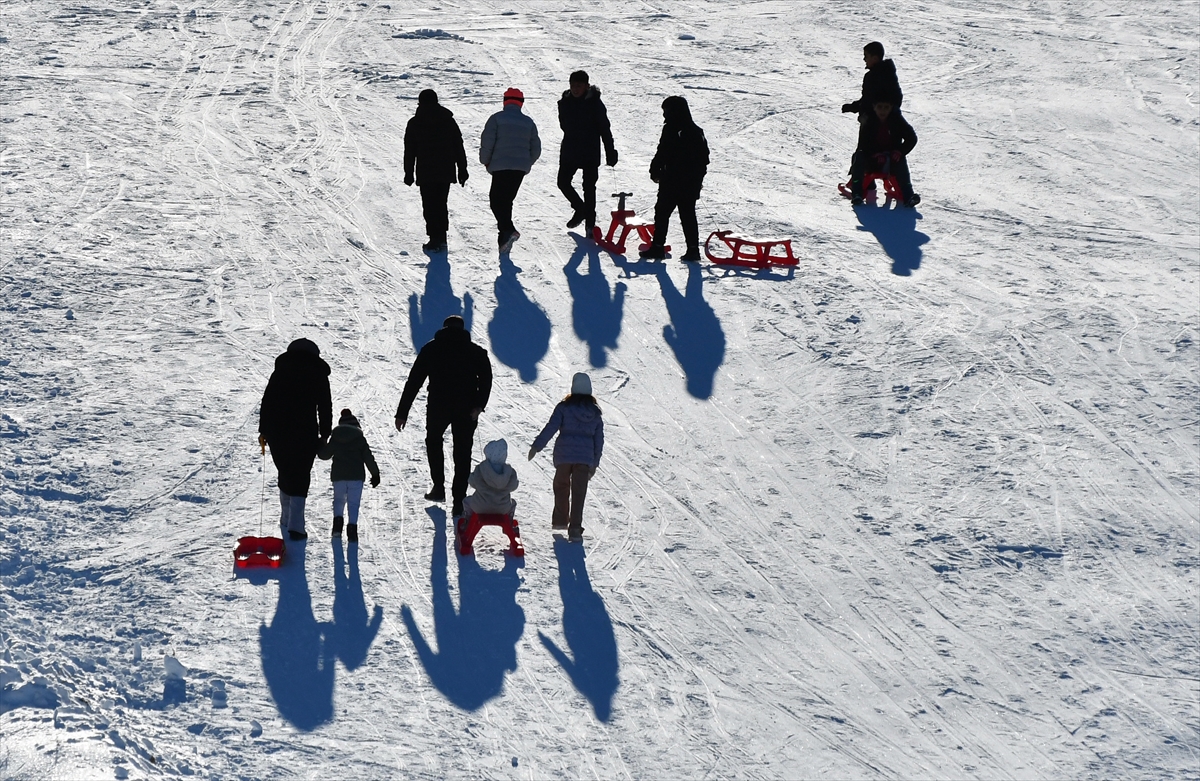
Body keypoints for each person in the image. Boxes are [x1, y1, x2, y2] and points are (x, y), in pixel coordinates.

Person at [395, 315, 493, 518]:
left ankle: (438, 487)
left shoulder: (431, 349)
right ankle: (459, 501)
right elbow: (486, 380)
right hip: (466, 408)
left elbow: (414, 381)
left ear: (444, 328)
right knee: (462, 452)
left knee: (433, 441)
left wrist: (402, 412)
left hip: (438, 405)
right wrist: (478, 406)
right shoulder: (476, 352)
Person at [258, 338, 332, 541]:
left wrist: (264, 430)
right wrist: (325, 434)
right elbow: (325, 405)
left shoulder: (280, 370)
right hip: (304, 431)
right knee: (300, 473)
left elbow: (268, 400)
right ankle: (296, 526)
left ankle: (285, 518)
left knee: (285, 470)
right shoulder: (317, 372)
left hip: (277, 431)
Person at [528, 372, 604, 541]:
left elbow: (551, 428)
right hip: (584, 459)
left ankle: (561, 521)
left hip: (564, 455)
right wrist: (595, 463)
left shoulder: (563, 408)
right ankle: (575, 529)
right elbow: (599, 441)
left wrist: (536, 446)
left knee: (561, 486)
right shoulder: (595, 414)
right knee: (579, 492)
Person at [639, 96, 709, 262]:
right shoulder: (695, 131)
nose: (665, 116)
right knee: (684, 214)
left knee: (664, 213)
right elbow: (704, 159)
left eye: (666, 112)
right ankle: (691, 250)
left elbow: (663, 151)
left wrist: (655, 170)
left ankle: (659, 247)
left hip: (674, 181)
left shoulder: (675, 130)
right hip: (684, 182)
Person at [404, 89, 469, 253]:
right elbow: (458, 147)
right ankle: (441, 237)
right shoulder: (448, 121)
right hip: (445, 170)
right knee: (441, 203)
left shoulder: (415, 123)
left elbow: (410, 150)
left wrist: (408, 172)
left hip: (426, 171)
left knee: (429, 205)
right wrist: (462, 169)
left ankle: (435, 238)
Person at [479, 87, 541, 253]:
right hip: (519, 169)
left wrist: (485, 161)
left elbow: (487, 142)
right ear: (521, 103)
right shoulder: (528, 122)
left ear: (505, 101)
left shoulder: (496, 119)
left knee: (496, 200)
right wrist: (526, 163)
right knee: (506, 201)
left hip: (500, 166)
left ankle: (508, 230)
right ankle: (504, 239)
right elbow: (536, 148)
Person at [557, 70, 618, 233]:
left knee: (589, 187)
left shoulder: (595, 104)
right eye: (572, 85)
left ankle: (590, 224)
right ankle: (581, 209)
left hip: (590, 150)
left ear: (586, 86)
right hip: (570, 149)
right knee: (562, 182)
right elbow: (564, 125)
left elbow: (605, 129)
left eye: (579, 86)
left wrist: (610, 151)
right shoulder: (564, 102)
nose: (575, 89)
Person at [317, 408, 381, 543]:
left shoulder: (335, 438)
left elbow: (324, 455)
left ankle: (337, 528)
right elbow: (368, 457)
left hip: (339, 476)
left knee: (339, 500)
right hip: (356, 477)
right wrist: (375, 474)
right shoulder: (360, 439)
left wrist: (320, 445)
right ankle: (352, 531)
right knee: (353, 503)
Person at [848, 99, 921, 207]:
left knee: (901, 159)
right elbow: (863, 144)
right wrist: (874, 154)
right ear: (874, 107)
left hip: (890, 159)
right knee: (859, 156)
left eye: (886, 107)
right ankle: (857, 193)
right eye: (880, 107)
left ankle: (908, 195)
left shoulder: (897, 120)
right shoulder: (869, 121)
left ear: (891, 108)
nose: (883, 111)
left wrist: (900, 151)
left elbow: (912, 138)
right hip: (871, 160)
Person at [841, 41, 904, 119]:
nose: (864, 59)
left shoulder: (875, 76)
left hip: (875, 122)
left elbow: (868, 101)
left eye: (866, 56)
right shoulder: (888, 73)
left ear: (874, 58)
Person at [462, 438, 519, 519]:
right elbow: (514, 486)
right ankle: (509, 520)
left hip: (480, 507)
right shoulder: (509, 472)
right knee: (512, 503)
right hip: (502, 508)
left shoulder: (481, 468)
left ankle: (468, 519)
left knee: (467, 501)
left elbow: (472, 482)